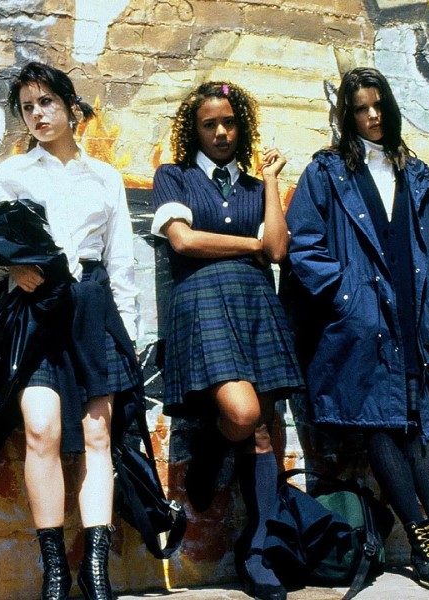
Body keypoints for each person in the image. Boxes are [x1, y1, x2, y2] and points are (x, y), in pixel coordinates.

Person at [282, 67, 429, 592]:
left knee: (421, 422)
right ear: (346, 115)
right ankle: (422, 539)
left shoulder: (414, 173)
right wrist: (350, 301)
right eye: (359, 109)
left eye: (377, 106)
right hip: (363, 324)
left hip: (414, 320)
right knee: (377, 423)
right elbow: (304, 247)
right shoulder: (326, 173)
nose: (371, 116)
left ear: (389, 107)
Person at [0, 61, 140, 600]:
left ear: (71, 107)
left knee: (97, 435)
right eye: (27, 107)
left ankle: (95, 571)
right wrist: (13, 269)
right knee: (41, 429)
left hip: (92, 310)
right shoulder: (11, 175)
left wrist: (132, 335)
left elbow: (121, 263)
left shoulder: (105, 177)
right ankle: (54, 570)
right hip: (35, 312)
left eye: (46, 103)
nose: (38, 115)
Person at [151, 81, 304, 600]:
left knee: (264, 431)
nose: (220, 132)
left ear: (241, 126)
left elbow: (279, 251)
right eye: (209, 124)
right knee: (241, 414)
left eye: (229, 122)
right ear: (194, 130)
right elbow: (183, 240)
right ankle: (215, 446)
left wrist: (270, 182)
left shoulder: (251, 186)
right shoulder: (175, 176)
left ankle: (257, 552)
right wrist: (251, 245)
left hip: (255, 303)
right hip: (203, 304)